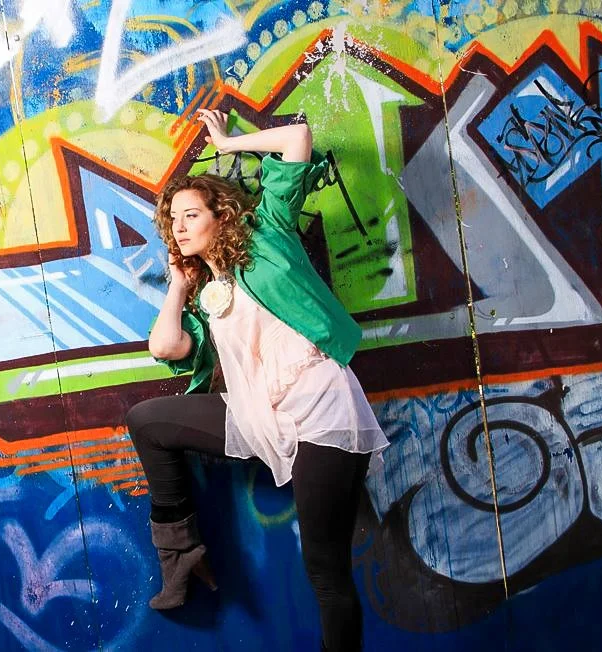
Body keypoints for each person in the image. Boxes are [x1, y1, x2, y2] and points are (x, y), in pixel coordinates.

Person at [125, 108, 389, 651]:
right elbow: (165, 347)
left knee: (324, 570)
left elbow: (297, 138)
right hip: (256, 413)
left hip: (320, 411)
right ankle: (181, 557)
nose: (177, 225)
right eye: (172, 218)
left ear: (221, 215)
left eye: (191, 214)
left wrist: (227, 141)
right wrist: (177, 287)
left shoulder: (270, 235)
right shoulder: (206, 292)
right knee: (147, 421)